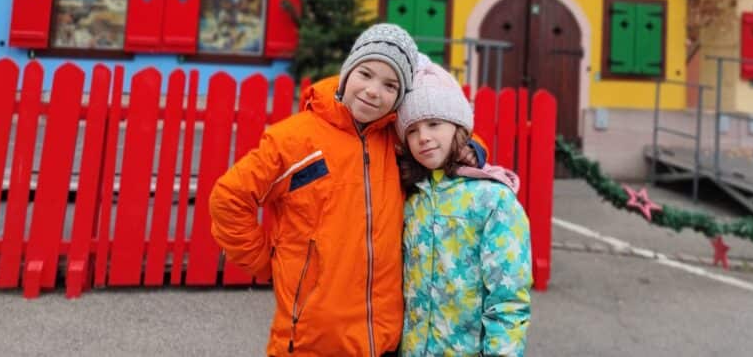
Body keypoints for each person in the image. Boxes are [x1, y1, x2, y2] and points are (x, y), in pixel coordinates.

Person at [209, 23, 419, 356]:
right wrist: (264, 262)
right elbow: (229, 197)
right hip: (312, 338)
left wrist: (472, 150)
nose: (373, 91)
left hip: (383, 338)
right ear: (347, 73)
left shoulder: (398, 140)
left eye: (390, 85)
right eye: (365, 74)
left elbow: (449, 131)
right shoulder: (294, 139)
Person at [396, 57, 532, 357]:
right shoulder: (411, 197)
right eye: (413, 130)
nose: (424, 138)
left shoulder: (493, 199)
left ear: (459, 128)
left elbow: (508, 297)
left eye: (434, 124)